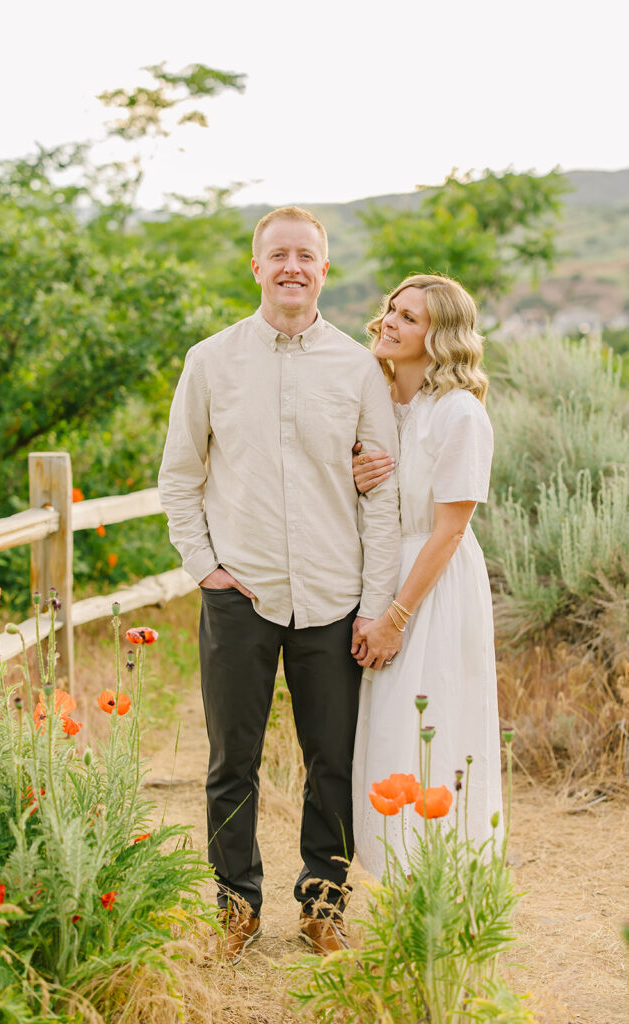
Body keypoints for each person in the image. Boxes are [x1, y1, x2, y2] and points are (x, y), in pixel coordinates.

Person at [158, 206, 401, 961]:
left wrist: (374, 600)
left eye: (307, 255)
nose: (292, 266)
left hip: (333, 597)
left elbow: (382, 492)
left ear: (324, 271)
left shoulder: (359, 369)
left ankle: (323, 904)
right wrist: (205, 569)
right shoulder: (209, 360)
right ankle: (237, 907)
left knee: (332, 757)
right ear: (255, 267)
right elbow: (179, 476)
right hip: (242, 595)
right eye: (278, 255)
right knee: (233, 760)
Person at [349, 274, 503, 879]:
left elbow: (449, 531)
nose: (390, 320)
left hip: (433, 587)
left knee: (433, 724)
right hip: (381, 570)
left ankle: (442, 882)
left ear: (439, 337)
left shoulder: (460, 414)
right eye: (392, 308)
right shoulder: (378, 401)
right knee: (386, 730)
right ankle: (393, 882)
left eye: (409, 317)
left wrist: (395, 618)